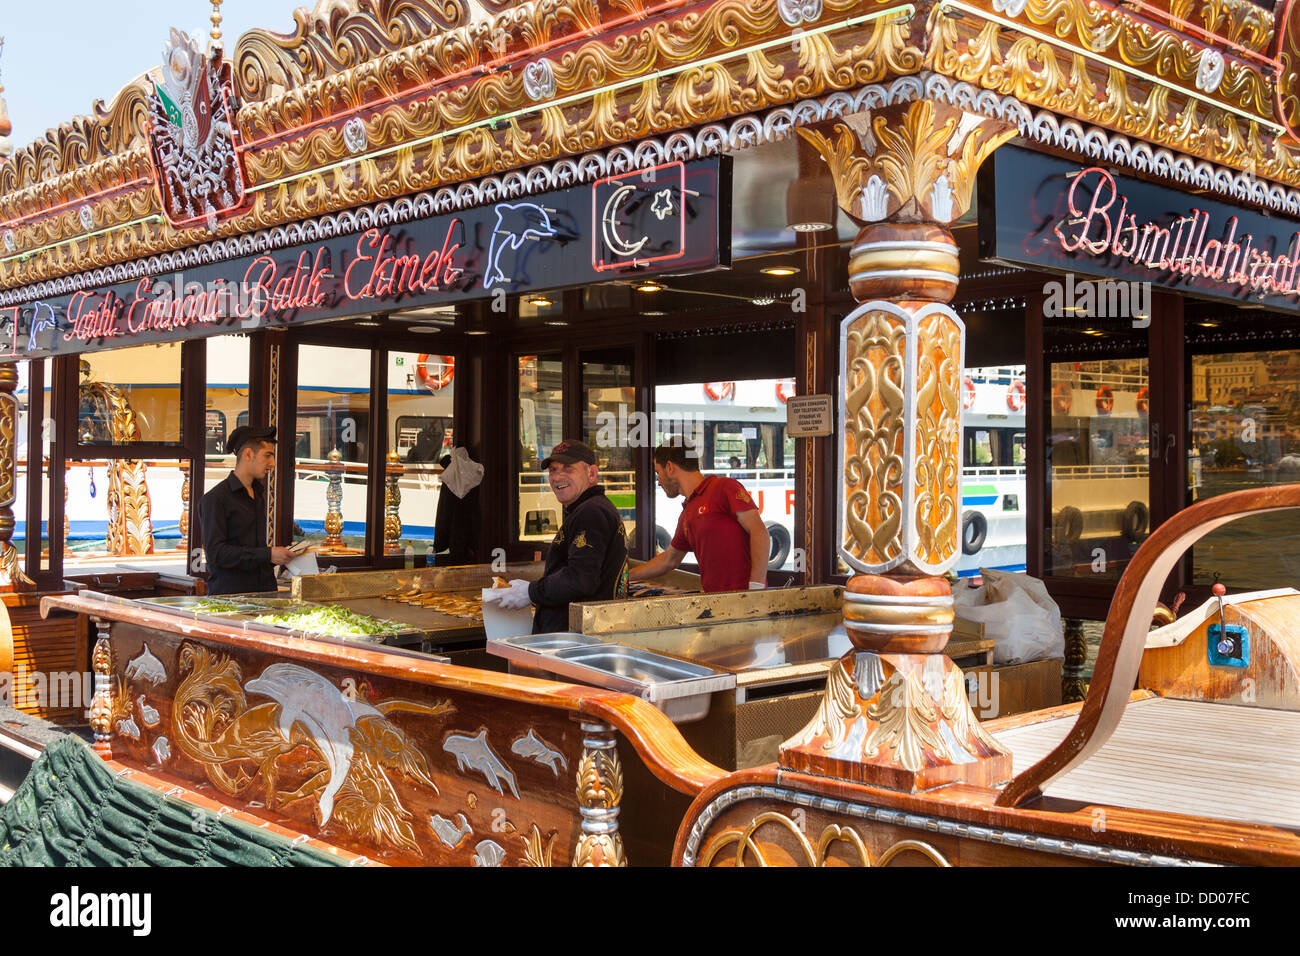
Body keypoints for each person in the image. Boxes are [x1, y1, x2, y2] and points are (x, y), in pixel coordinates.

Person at [496, 440, 628, 632]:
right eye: (553, 470)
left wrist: (530, 592)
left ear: (591, 473)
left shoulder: (591, 512)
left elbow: (580, 579)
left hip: (578, 640)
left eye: (568, 469)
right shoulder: (587, 509)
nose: (557, 477)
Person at [629, 440, 769, 592]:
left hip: (745, 601)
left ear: (669, 467)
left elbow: (759, 532)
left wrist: (756, 587)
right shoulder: (686, 514)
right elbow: (669, 560)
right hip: (715, 603)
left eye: (658, 473)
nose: (659, 482)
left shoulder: (723, 488)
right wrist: (626, 577)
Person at [199, 425, 293, 595]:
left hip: (265, 594)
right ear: (248, 454)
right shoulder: (215, 499)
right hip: (230, 599)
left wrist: (277, 556)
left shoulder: (258, 494)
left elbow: (253, 550)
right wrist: (267, 555)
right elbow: (216, 554)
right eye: (268, 455)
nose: (273, 463)